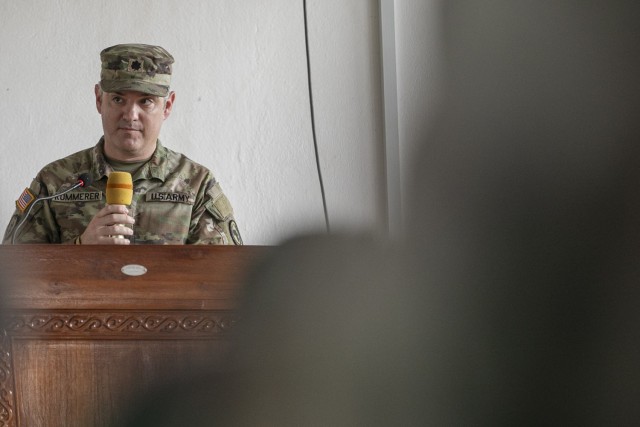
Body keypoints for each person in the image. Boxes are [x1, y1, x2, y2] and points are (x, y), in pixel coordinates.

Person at [2, 43, 242, 245]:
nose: (130, 115)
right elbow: (14, 273)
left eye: (146, 101)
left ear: (167, 107)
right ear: (99, 100)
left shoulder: (196, 185)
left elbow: (228, 278)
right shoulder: (55, 182)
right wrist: (80, 247)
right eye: (118, 99)